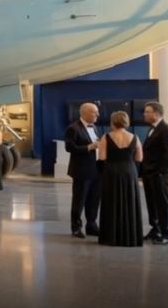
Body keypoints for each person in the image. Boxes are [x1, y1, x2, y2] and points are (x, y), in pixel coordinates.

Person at [97, 110, 144, 247]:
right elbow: (139, 158)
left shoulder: (106, 137)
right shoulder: (135, 137)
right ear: (126, 122)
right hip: (129, 171)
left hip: (111, 171)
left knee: (111, 203)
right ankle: (130, 238)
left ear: (113, 122)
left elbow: (102, 157)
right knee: (130, 202)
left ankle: (111, 237)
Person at [66, 102, 102, 238]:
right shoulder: (73, 128)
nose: (98, 114)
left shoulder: (95, 127)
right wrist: (89, 147)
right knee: (79, 200)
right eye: (94, 112)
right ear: (85, 113)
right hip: (81, 170)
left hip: (96, 169)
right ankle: (76, 227)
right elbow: (69, 148)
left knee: (94, 199)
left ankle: (91, 225)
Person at [141, 101, 168, 244]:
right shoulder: (151, 129)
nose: (144, 114)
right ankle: (156, 229)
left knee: (163, 204)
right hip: (149, 173)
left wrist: (161, 172)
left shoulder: (166, 129)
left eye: (147, 111)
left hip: (158, 174)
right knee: (152, 203)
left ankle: (166, 234)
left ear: (157, 113)